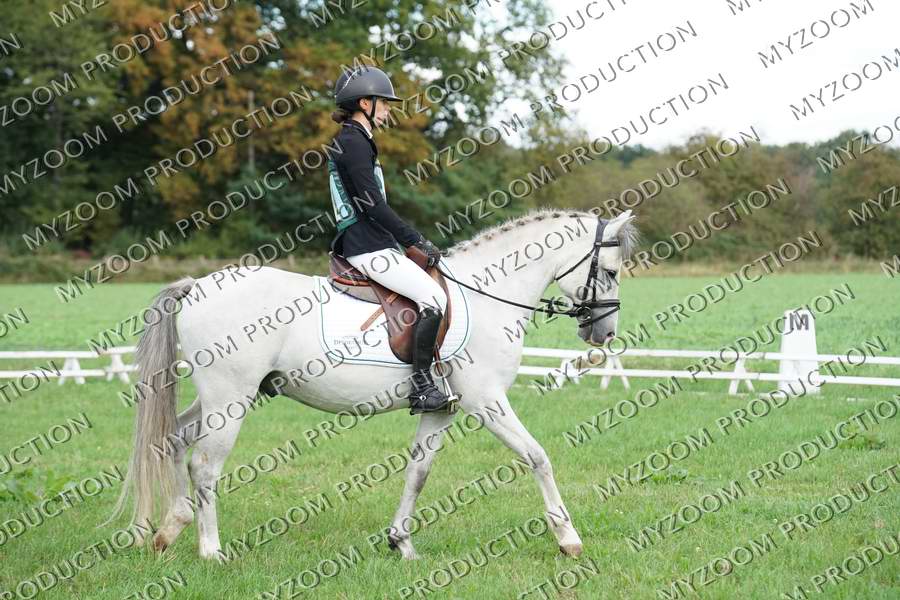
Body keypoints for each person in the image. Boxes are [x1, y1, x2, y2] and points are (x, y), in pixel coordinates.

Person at [326, 65, 452, 415]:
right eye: (383, 103)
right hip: (367, 246)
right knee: (433, 297)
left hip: (371, 242)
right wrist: (416, 240)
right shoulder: (353, 143)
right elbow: (373, 206)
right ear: (364, 103)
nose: (387, 109)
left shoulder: (356, 140)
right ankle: (421, 387)